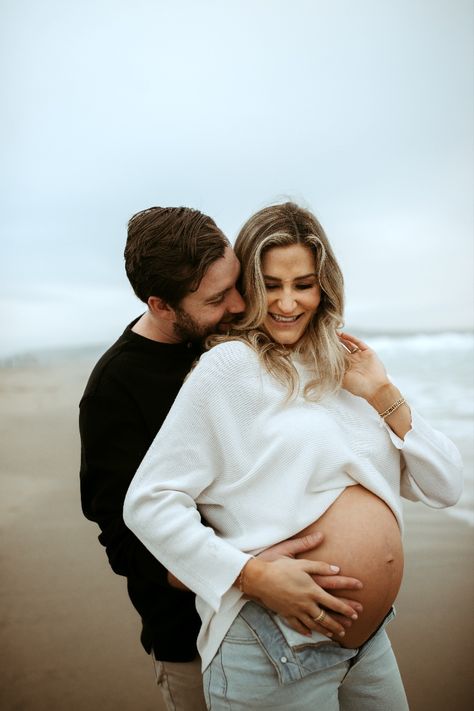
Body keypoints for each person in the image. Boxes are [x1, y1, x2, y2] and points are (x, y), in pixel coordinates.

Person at [123, 201, 463, 710]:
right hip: (271, 646)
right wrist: (247, 574)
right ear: (250, 288)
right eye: (270, 285)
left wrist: (383, 393)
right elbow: (148, 502)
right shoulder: (228, 368)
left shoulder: (345, 366)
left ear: (324, 284)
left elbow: (445, 486)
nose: (286, 303)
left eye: (302, 284)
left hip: (366, 647)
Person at [79, 206, 364, 711]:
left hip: (305, 624)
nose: (238, 304)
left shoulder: (234, 340)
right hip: (194, 639)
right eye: (216, 298)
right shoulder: (115, 390)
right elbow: (125, 543)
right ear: (162, 305)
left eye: (237, 283)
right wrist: (248, 575)